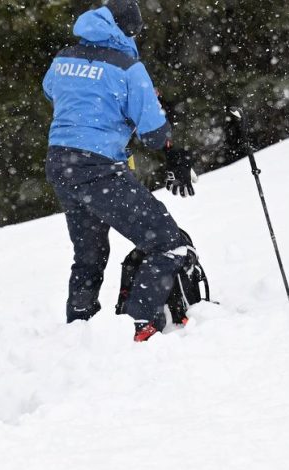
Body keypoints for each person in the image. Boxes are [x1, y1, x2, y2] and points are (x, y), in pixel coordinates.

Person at [42, 0, 197, 341]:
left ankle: (78, 333)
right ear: (126, 30)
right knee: (168, 245)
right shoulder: (129, 68)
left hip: (60, 164)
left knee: (89, 254)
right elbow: (154, 135)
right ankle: (139, 324)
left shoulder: (64, 58)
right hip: (99, 169)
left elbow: (51, 90)